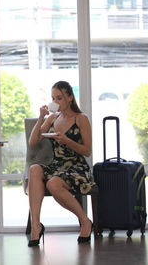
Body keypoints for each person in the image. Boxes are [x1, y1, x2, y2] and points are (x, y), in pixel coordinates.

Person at [27, 81, 96, 247]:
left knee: (53, 183)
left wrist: (66, 140)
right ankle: (36, 226)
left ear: (70, 97)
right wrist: (40, 118)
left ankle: (85, 221)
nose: (56, 101)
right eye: (53, 98)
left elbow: (87, 151)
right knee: (34, 169)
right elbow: (33, 142)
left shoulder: (81, 118)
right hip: (56, 165)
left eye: (59, 98)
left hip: (76, 166)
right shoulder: (52, 118)